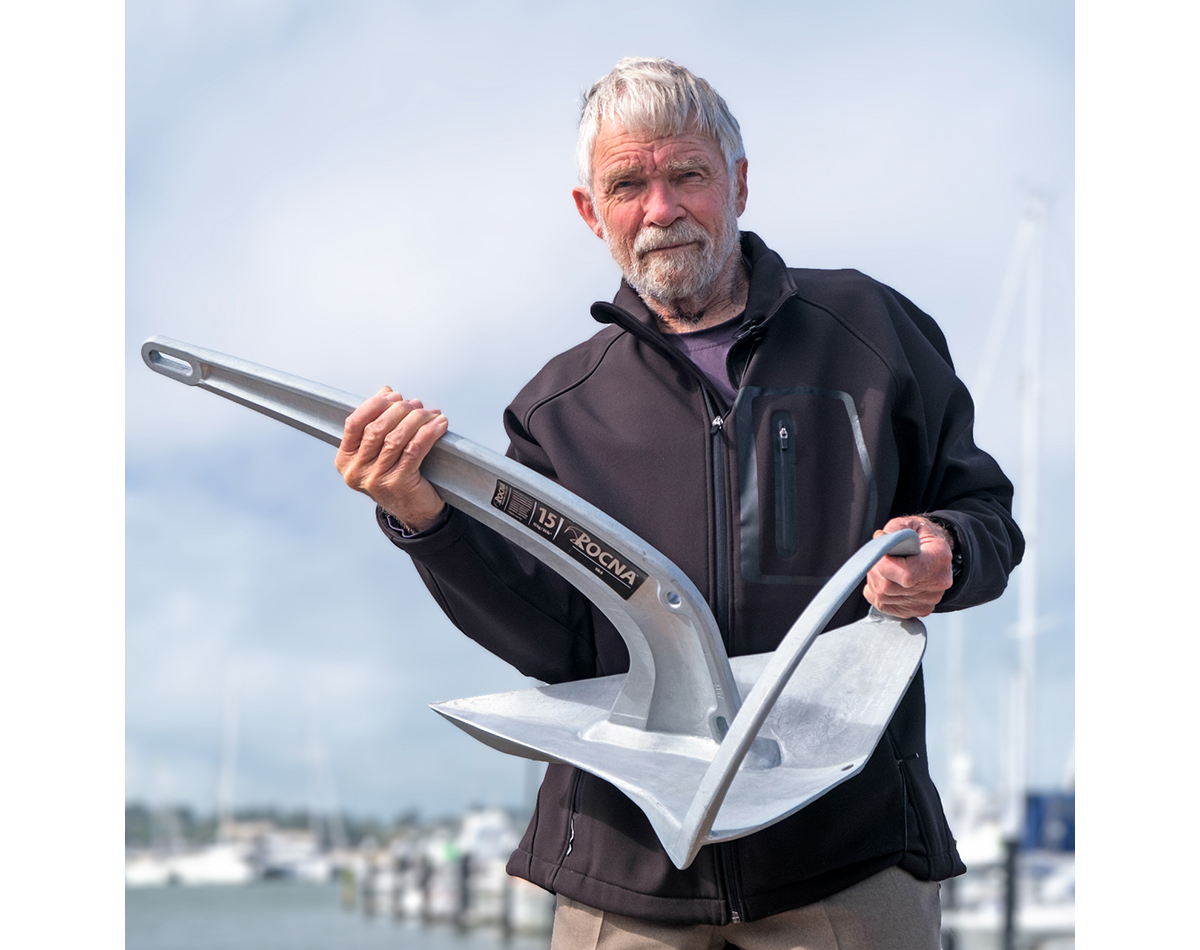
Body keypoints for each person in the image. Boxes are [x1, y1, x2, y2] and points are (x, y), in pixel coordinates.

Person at [335, 58, 1023, 950]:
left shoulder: (871, 331)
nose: (660, 209)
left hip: (847, 854)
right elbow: (557, 647)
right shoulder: (557, 409)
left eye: (687, 174)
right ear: (592, 212)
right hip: (627, 876)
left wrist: (948, 553)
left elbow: (982, 512)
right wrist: (426, 521)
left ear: (739, 182)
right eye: (628, 185)